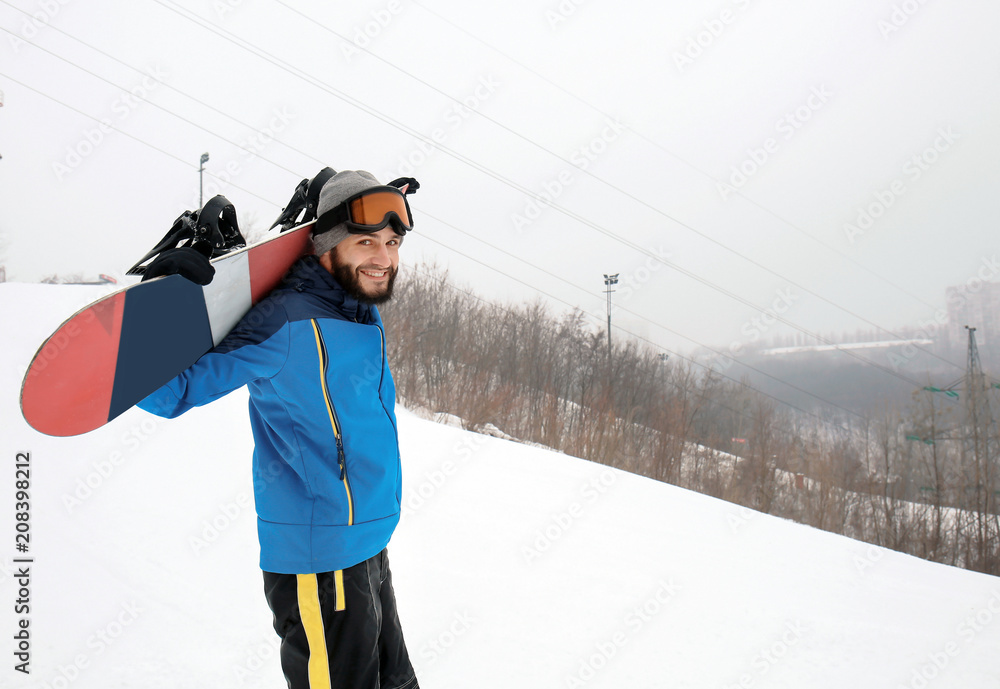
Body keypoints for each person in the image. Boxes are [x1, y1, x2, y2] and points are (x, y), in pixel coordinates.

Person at [138, 169, 420, 689]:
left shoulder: (360, 312)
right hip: (320, 563)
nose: (385, 258)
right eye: (365, 242)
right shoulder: (282, 322)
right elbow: (170, 393)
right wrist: (159, 303)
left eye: (392, 242)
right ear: (328, 246)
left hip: (370, 544)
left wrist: (334, 199)